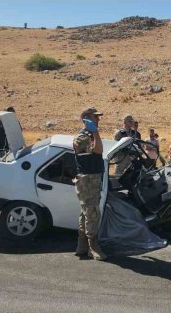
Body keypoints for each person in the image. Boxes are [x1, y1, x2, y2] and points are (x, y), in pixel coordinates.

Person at [73, 107, 107, 261]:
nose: (98, 120)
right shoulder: (81, 137)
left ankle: (82, 245)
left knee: (85, 211)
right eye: (95, 117)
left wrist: (94, 132)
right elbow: (98, 150)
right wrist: (95, 132)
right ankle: (92, 246)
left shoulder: (89, 135)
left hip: (92, 178)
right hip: (87, 180)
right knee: (92, 212)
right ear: (86, 119)